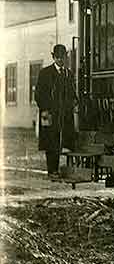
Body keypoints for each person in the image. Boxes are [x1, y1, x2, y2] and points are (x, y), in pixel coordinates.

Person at [35, 44, 78, 179]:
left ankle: (60, 168)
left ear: (66, 57)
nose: (60, 60)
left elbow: (72, 93)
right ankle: (52, 170)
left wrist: (74, 103)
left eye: (62, 57)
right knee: (50, 139)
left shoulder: (68, 74)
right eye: (57, 57)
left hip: (64, 113)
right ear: (53, 57)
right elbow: (39, 95)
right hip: (48, 113)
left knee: (62, 138)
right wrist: (47, 109)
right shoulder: (45, 73)